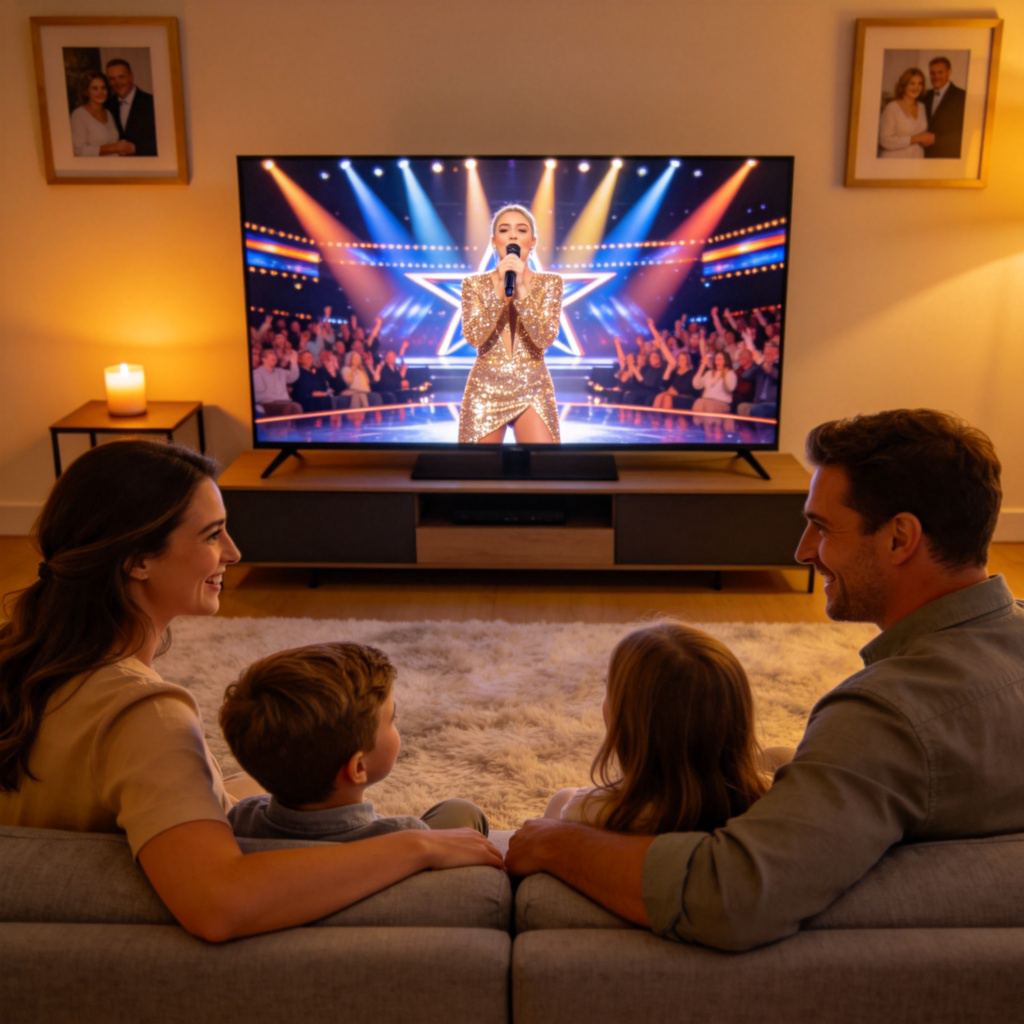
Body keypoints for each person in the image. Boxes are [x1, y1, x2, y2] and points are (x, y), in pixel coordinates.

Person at [506, 408, 1024, 951]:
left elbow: (729, 896)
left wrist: (557, 842)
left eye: (822, 527)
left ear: (899, 539)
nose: (802, 551)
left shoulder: (885, 718)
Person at [0, 441, 502, 942]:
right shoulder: (142, 716)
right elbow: (219, 904)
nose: (234, 553)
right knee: (453, 819)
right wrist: (417, 846)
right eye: (211, 535)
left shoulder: (21, 663)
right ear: (138, 561)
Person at [221, 642, 489, 841]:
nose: (396, 726)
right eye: (392, 720)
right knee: (460, 811)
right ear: (358, 768)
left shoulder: (240, 817)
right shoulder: (406, 837)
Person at [542, 622, 781, 834]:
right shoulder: (770, 799)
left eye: (609, 691)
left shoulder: (588, 811)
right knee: (779, 755)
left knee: (561, 798)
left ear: (631, 726)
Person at [458, 204, 563, 444]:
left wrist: (522, 288)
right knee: (476, 474)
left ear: (532, 241)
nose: (513, 235)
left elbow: (544, 337)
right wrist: (498, 291)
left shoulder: (550, 283)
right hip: (486, 387)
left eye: (521, 230)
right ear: (494, 241)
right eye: (505, 230)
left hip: (533, 387)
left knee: (543, 468)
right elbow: (475, 336)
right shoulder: (473, 284)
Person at [69, 72, 133, 157]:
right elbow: (78, 150)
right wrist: (114, 148)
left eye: (103, 88)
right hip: (95, 169)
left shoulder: (108, 113)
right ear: (85, 91)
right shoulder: (79, 115)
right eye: (95, 88)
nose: (100, 92)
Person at [105, 59, 157, 156]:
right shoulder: (107, 105)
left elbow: (166, 140)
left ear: (131, 77)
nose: (117, 83)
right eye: (112, 79)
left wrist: (135, 148)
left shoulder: (152, 102)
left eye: (121, 77)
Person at [878, 67, 934, 158]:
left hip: (916, 161)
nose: (916, 87)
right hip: (894, 162)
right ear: (904, 85)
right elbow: (884, 141)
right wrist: (915, 139)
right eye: (912, 83)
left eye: (920, 83)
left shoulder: (922, 107)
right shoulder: (892, 107)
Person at [924, 57, 966, 159]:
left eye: (940, 72)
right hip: (924, 157)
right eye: (932, 73)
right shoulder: (925, 95)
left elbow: (965, 134)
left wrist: (936, 139)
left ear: (949, 72)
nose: (936, 76)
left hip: (948, 158)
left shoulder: (963, 97)